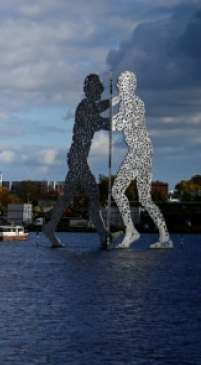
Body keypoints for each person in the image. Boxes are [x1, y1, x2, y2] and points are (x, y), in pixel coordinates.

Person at [43, 74, 111, 248]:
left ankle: (50, 227)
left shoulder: (87, 106)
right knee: (94, 195)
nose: (100, 93)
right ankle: (104, 237)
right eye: (98, 90)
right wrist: (122, 118)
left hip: (76, 159)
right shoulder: (85, 107)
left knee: (67, 198)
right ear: (91, 90)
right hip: (78, 160)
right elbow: (102, 122)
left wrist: (118, 100)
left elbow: (101, 108)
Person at [110, 71, 172, 249]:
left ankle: (131, 230)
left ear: (132, 86)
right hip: (142, 151)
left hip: (139, 151)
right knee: (145, 199)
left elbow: (120, 122)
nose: (120, 86)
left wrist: (99, 122)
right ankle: (164, 236)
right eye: (119, 83)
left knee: (117, 191)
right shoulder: (127, 102)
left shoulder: (135, 103)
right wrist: (114, 101)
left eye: (123, 83)